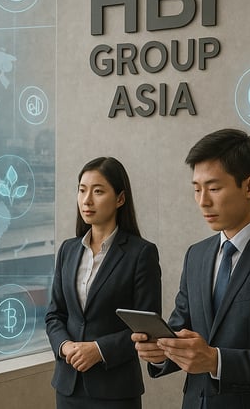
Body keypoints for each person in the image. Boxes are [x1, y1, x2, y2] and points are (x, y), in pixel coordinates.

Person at [132, 128, 250, 409]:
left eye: (213, 188)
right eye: (196, 189)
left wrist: (216, 360)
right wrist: (162, 351)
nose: (202, 201)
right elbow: (182, 328)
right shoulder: (196, 255)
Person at [45, 156, 161, 409]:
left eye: (98, 191)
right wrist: (65, 347)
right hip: (68, 386)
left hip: (116, 390)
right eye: (82, 190)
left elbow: (147, 327)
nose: (86, 200)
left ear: (120, 199)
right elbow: (55, 314)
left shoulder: (141, 254)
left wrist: (99, 350)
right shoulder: (68, 249)